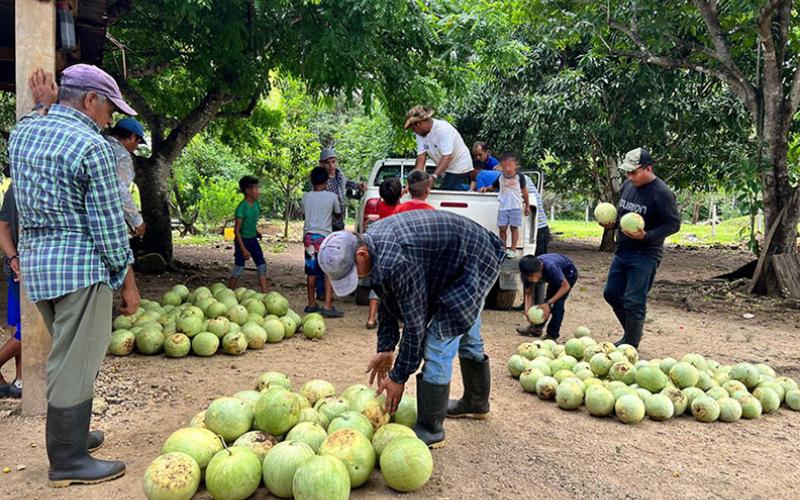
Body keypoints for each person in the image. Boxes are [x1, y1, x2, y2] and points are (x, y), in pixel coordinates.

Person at [9, 65, 141, 486]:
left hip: (38, 270)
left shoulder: (24, 132)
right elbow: (106, 226)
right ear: (90, 101)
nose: (110, 119)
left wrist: (42, 105)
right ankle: (67, 461)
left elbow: (39, 121)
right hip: (80, 269)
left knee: (67, 357)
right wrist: (127, 279)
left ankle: (76, 438)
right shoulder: (93, 147)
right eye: (108, 110)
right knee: (74, 364)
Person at [318, 210, 506, 448]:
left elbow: (415, 326)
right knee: (465, 325)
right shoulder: (372, 244)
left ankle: (431, 428)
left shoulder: (397, 260)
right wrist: (386, 347)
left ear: (361, 254)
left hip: (475, 259)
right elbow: (388, 299)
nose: (358, 280)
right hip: (453, 262)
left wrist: (398, 376)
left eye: (353, 273)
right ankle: (477, 403)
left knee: (439, 338)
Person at [600, 148, 681, 348]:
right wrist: (612, 224)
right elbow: (623, 215)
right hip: (623, 250)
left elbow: (673, 224)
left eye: (634, 172)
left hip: (645, 254)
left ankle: (631, 344)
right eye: (628, 172)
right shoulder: (628, 185)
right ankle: (632, 332)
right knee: (611, 293)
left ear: (648, 169)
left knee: (634, 301)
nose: (630, 176)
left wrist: (647, 236)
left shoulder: (661, 192)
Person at [302, 167, 344, 318]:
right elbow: (338, 213)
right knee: (328, 271)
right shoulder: (332, 197)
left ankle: (311, 303)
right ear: (327, 181)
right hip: (324, 238)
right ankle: (327, 305)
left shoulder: (306, 197)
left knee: (311, 271)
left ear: (312, 181)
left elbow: (304, 213)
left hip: (309, 238)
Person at [405, 105, 472, 191]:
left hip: (459, 166)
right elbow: (421, 157)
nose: (414, 132)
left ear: (419, 124)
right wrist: (413, 182)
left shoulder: (442, 129)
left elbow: (446, 157)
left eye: (413, 129)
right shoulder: (420, 134)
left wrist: (434, 177)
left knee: (445, 193)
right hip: (447, 169)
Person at [365, 178, 403, 329]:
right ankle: (399, 318)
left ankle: (371, 318)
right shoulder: (401, 209)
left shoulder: (379, 205)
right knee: (396, 286)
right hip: (395, 249)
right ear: (400, 195)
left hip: (380, 248)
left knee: (377, 284)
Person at [515, 254, 579, 339]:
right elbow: (528, 292)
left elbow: (565, 286)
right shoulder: (527, 273)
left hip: (568, 275)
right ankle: (536, 329)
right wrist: (527, 311)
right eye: (529, 277)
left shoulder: (551, 268)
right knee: (546, 302)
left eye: (535, 276)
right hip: (554, 277)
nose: (533, 280)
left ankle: (552, 335)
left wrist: (549, 303)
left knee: (557, 304)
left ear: (541, 267)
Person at [480, 153, 529, 258]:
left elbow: (525, 192)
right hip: (503, 207)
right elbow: (493, 187)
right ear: (501, 166)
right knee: (502, 228)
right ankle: (503, 248)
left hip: (515, 206)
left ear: (515, 166)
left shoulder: (519, 177)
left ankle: (513, 250)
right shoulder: (500, 178)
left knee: (514, 228)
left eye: (510, 166)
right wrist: (486, 189)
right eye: (504, 166)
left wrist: (527, 206)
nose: (507, 168)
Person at [229, 176, 269, 293]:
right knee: (239, 268)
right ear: (248, 191)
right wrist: (243, 249)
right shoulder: (242, 208)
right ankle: (228, 292)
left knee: (261, 265)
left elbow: (250, 223)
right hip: (242, 241)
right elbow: (236, 231)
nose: (258, 191)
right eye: (256, 188)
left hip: (252, 239)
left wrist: (256, 233)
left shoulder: (256, 205)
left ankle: (265, 293)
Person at [0, 171, 21, 398]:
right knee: (28, 330)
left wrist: (12, 259)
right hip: (31, 270)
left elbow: (2, 226)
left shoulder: (13, 189)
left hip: (15, 266)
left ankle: (21, 379)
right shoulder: (36, 187)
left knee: (19, 325)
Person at [106, 118, 146, 237]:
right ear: (132, 137)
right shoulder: (122, 155)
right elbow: (119, 190)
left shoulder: (98, 144)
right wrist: (137, 222)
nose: (136, 146)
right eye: (137, 142)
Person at [320, 147, 366, 232]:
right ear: (321, 164)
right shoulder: (320, 180)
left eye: (333, 162)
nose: (331, 166)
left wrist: (358, 185)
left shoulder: (340, 175)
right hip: (325, 222)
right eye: (327, 163)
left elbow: (346, 183)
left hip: (339, 220)